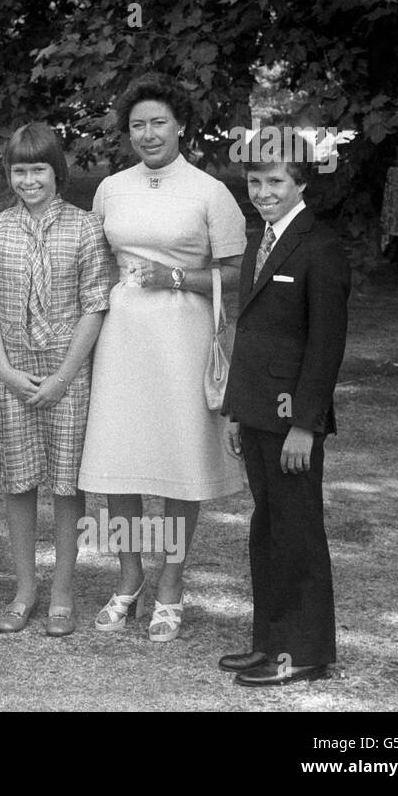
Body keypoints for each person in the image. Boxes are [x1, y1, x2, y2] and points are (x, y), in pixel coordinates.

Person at [77, 72, 247, 642]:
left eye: (159, 123)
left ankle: (171, 584)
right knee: (119, 461)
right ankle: (129, 577)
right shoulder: (110, 190)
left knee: (176, 464)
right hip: (121, 339)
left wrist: (176, 276)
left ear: (180, 126)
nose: (149, 134)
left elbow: (236, 277)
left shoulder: (210, 191)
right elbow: (94, 265)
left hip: (182, 338)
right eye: (138, 125)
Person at [0, 123, 111, 636]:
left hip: (67, 371)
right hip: (11, 370)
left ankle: (63, 591)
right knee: (20, 479)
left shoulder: (86, 227)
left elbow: (96, 303)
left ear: (57, 172)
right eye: (19, 170)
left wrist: (64, 376)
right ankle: (25, 587)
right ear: (8, 174)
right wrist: (4, 369)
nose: (29, 180)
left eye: (39, 169)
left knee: (66, 482)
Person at [220, 151, 350, 686]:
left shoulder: (321, 247)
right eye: (255, 181)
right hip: (255, 410)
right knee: (267, 529)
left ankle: (306, 653)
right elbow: (249, 333)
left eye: (276, 180)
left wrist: (304, 423)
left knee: (298, 532)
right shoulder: (261, 237)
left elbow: (326, 345)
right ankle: (270, 642)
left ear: (301, 183)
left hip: (291, 418)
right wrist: (236, 409)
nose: (264, 190)